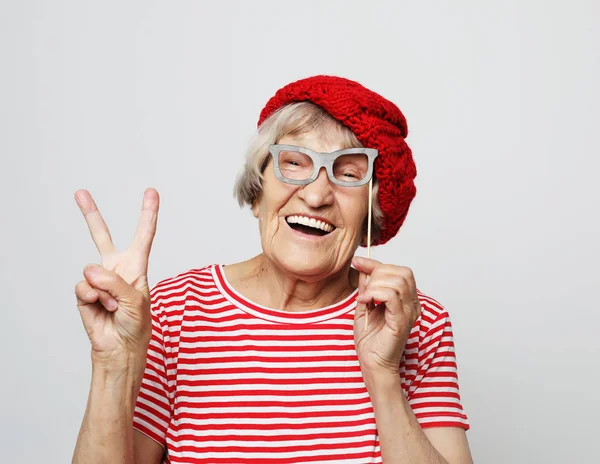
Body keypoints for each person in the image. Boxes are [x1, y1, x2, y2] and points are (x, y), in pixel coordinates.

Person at [72, 76, 473, 463]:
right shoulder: (175, 310)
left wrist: (383, 374)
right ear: (258, 190)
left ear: (372, 212)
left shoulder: (415, 322)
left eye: (349, 173)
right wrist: (113, 367)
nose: (316, 195)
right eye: (294, 163)